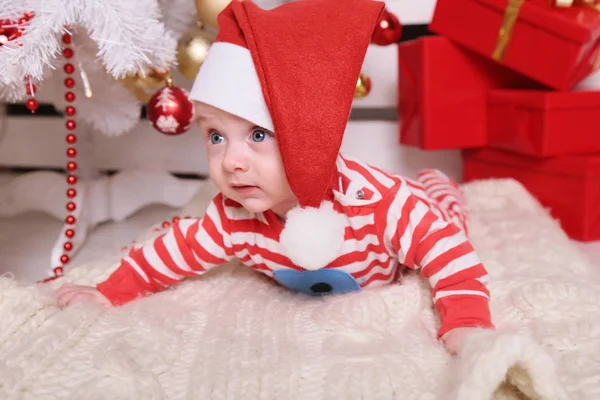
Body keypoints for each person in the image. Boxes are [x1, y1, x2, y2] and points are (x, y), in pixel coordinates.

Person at [55, 0, 494, 355]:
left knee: (447, 218)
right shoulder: (233, 216)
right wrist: (109, 292)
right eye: (216, 136)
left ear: (311, 136)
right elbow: (174, 250)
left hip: (409, 212)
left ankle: (438, 182)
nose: (231, 162)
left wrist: (467, 321)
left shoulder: (376, 201)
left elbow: (445, 250)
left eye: (258, 134)